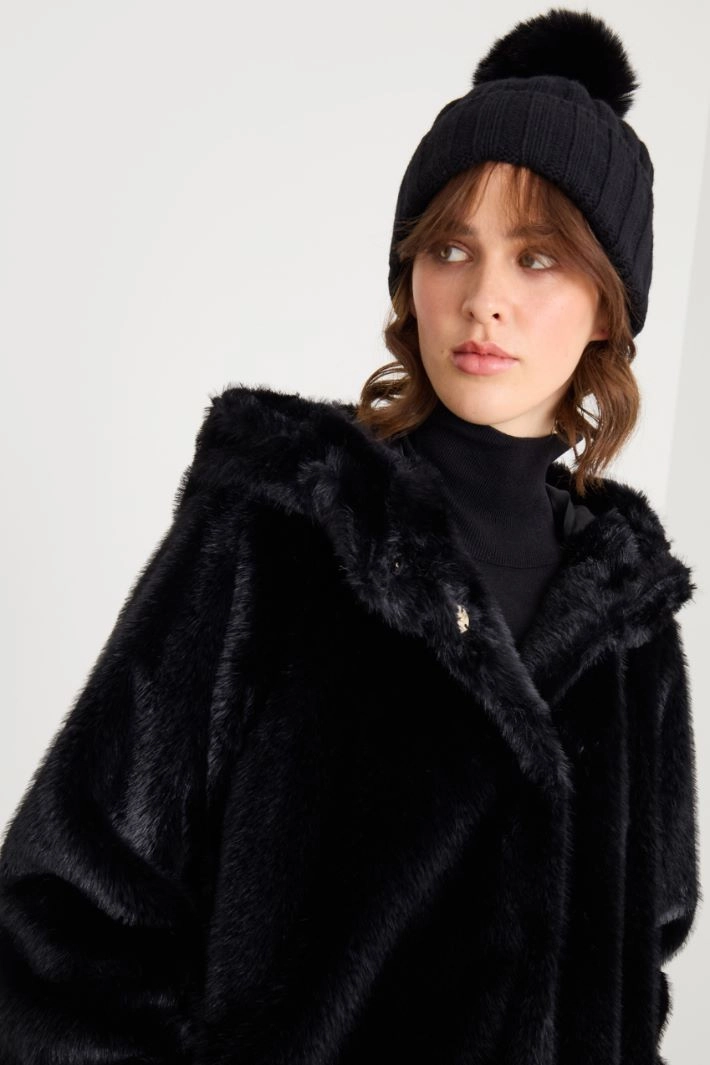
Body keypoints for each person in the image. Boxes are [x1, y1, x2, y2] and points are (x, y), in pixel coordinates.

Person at [0, 8, 700, 1064]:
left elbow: (641, 954)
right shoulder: (283, 526)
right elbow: (63, 912)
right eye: (450, 248)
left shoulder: (624, 613)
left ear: (608, 307)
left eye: (538, 258)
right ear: (409, 279)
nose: (484, 300)